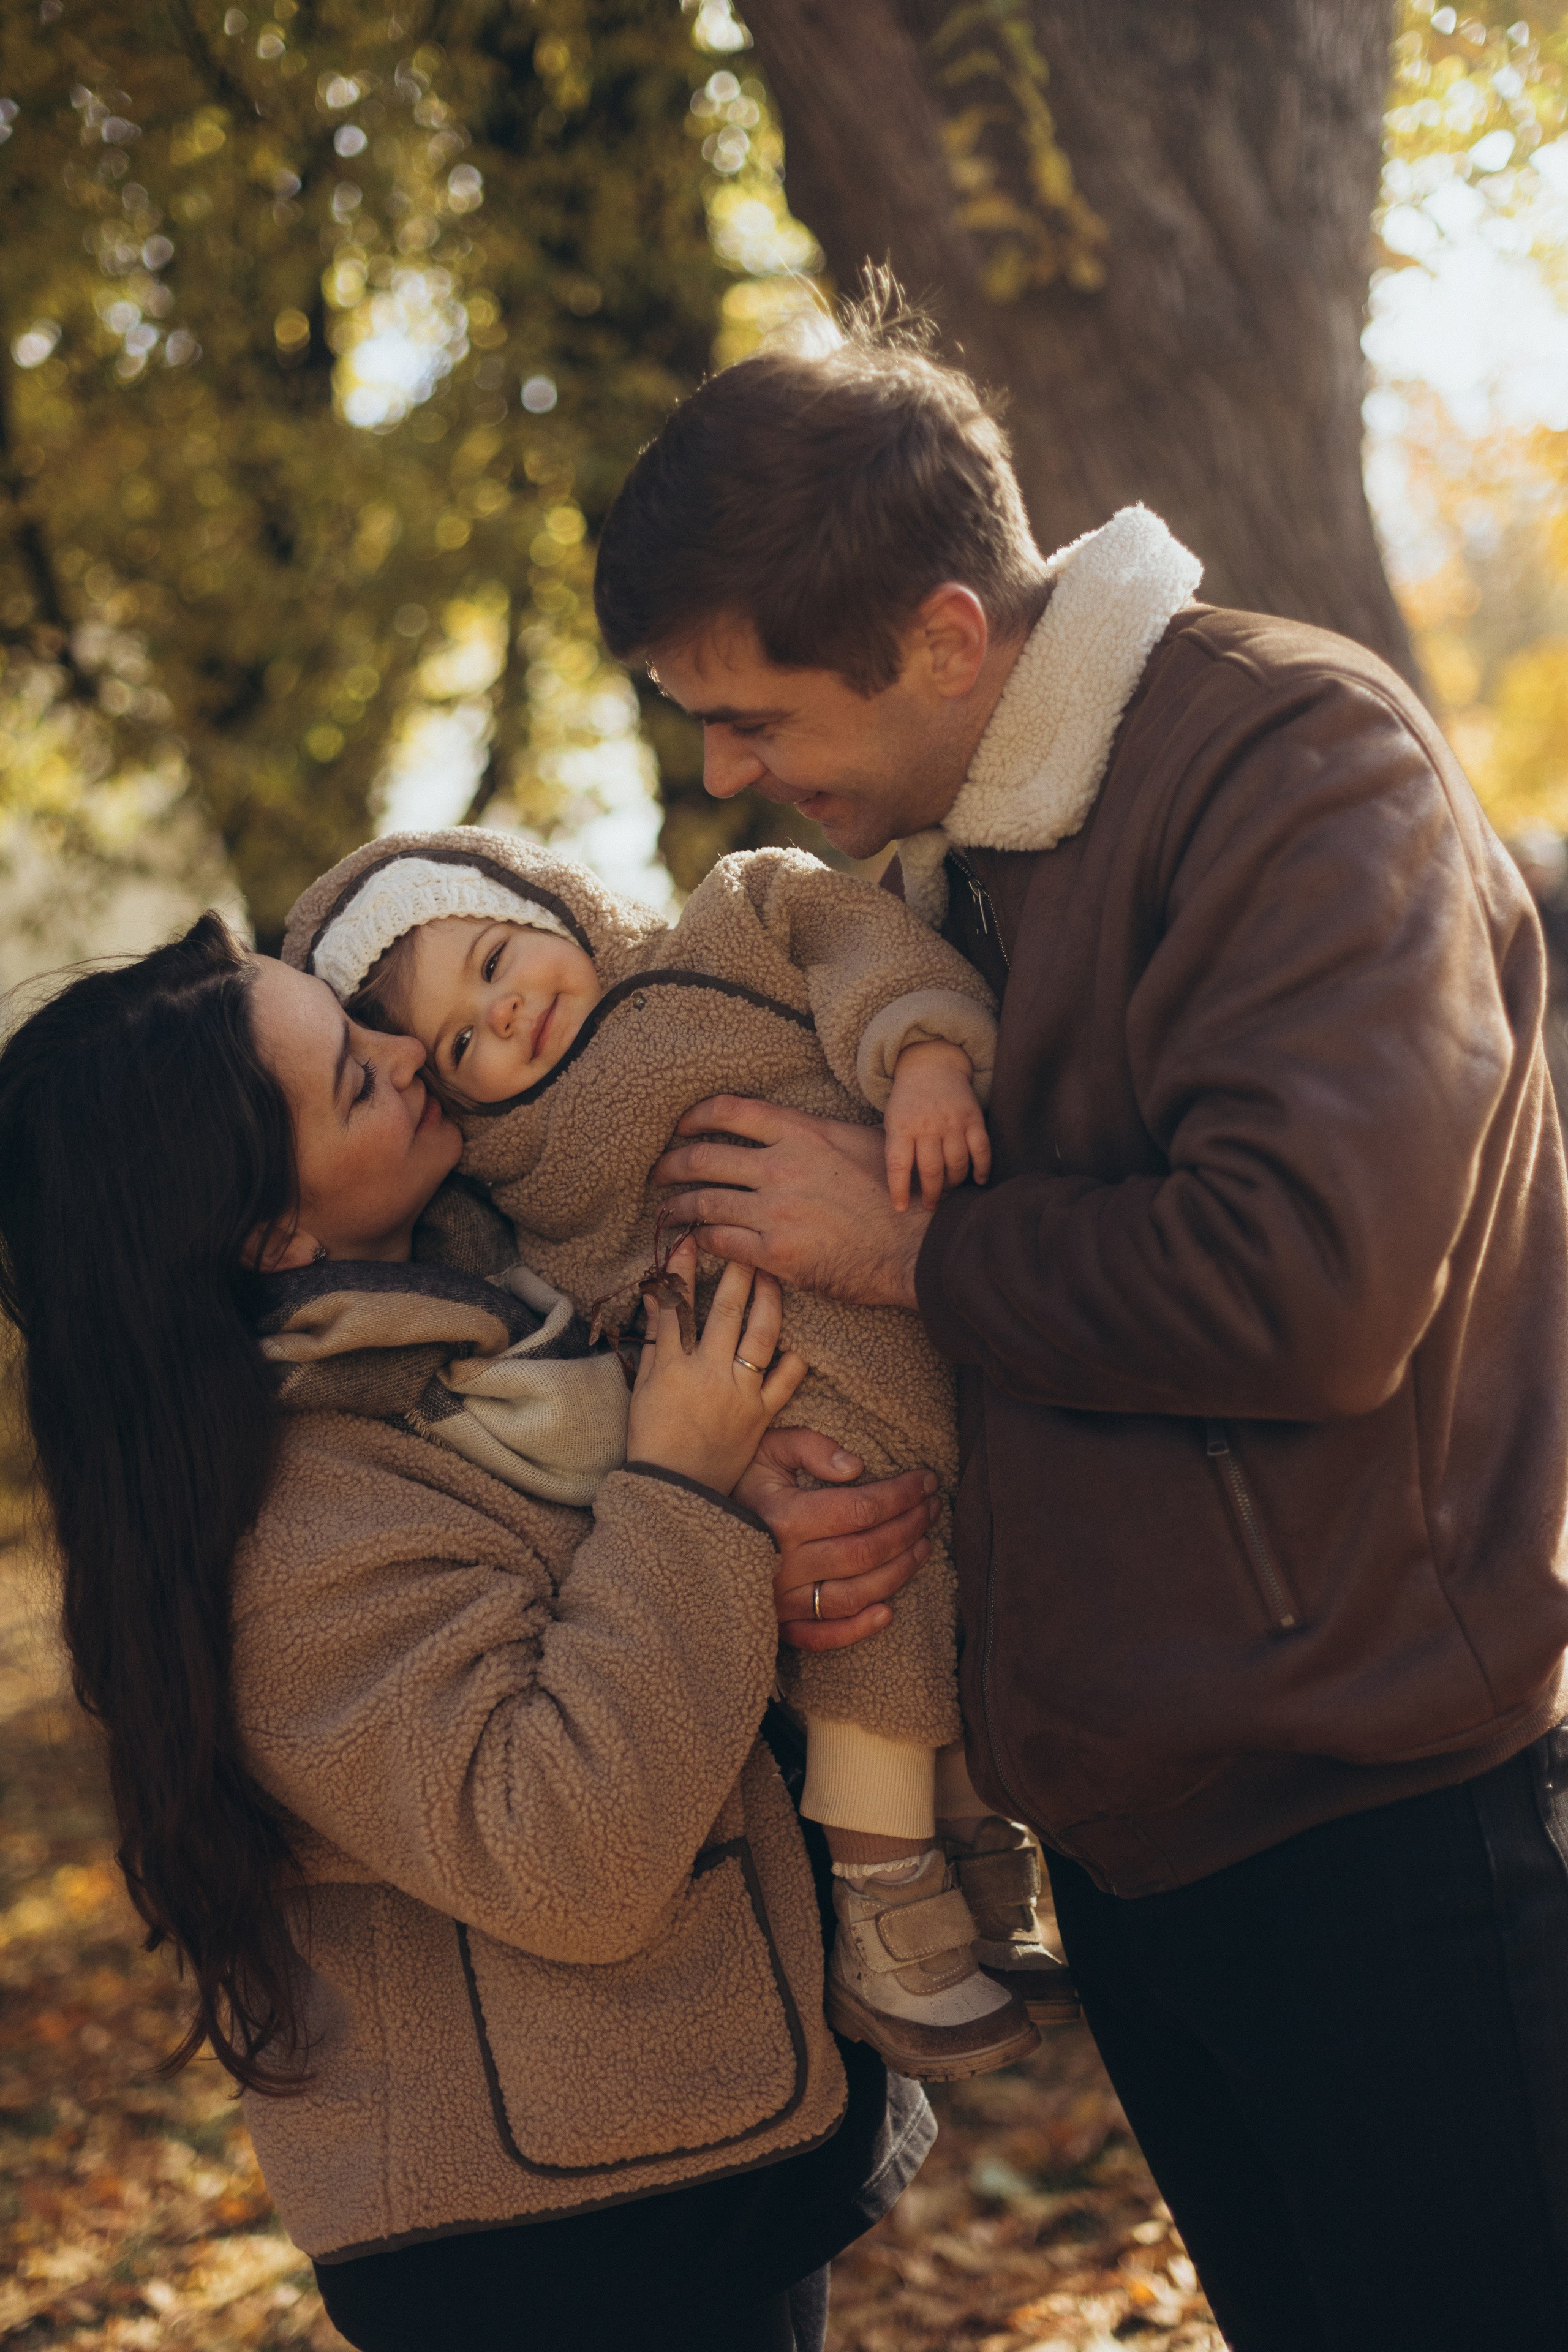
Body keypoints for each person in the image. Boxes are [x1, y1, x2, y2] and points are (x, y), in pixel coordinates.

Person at [591, 317, 1568, 2350]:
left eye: (758, 716)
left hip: (1384, 1842)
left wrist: (908, 1252)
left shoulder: (1299, 768)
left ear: (948, 637)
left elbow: (1308, 1285)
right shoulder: (961, 866)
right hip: (1150, 1847)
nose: (725, 776)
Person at [0, 913, 951, 2352]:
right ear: (274, 1234)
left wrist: (742, 1519)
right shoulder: (279, 1527)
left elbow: (596, 1600)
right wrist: (682, 1484)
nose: (405, 1052)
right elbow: (562, 1847)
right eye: (355, 1079)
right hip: (559, 2265)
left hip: (674, 2168)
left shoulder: (478, 1327)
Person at [278, 823, 1066, 2078]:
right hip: (789, 1396)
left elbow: (843, 928)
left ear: (553, 904)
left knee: (955, 1584)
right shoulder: (498, 1176)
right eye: (457, 1046)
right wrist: (691, 1453)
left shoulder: (721, 937)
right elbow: (563, 1338)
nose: (503, 1020)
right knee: (879, 1608)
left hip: (930, 1321)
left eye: (496, 961)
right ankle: (890, 1904)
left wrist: (921, 1053)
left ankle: (972, 1854)